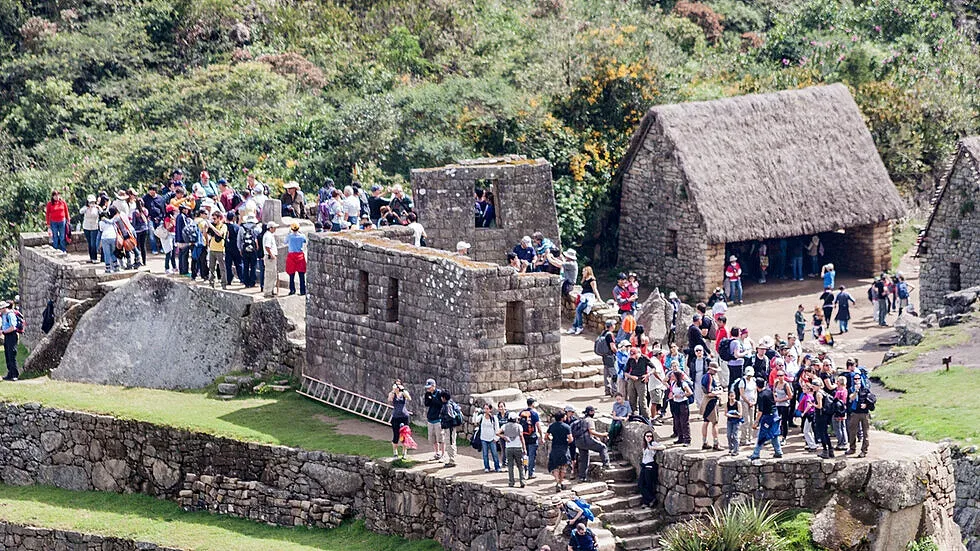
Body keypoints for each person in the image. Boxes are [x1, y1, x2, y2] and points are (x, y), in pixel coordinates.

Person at [748, 378, 783, 459]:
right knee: (774, 434)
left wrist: (756, 421)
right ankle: (778, 452)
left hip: (767, 417)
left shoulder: (761, 395)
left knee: (762, 435)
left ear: (757, 386)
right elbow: (773, 400)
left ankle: (756, 454)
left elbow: (760, 411)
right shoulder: (769, 391)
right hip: (775, 414)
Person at [573, 406, 609, 482]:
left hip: (579, 442)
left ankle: (582, 477)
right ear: (591, 412)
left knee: (584, 459)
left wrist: (596, 438)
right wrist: (603, 434)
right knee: (603, 447)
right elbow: (591, 431)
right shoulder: (590, 420)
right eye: (593, 411)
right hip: (587, 441)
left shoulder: (581, 420)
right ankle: (606, 464)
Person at [546, 411, 573, 492]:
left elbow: (546, 436)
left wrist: (551, 439)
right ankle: (561, 482)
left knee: (555, 466)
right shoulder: (566, 427)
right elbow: (571, 439)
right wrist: (566, 442)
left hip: (555, 448)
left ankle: (557, 482)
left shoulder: (552, 426)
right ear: (562, 418)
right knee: (563, 467)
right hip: (564, 448)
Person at [498, 412, 527, 487]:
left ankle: (511, 482)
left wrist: (504, 437)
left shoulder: (505, 426)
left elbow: (497, 433)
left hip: (509, 448)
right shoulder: (519, 426)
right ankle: (522, 481)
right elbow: (521, 437)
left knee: (510, 466)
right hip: (518, 447)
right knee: (520, 465)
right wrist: (524, 448)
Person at [637, 430, 665, 507]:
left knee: (648, 484)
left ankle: (649, 500)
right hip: (644, 465)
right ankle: (649, 499)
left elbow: (663, 447)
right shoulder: (644, 445)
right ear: (644, 437)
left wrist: (652, 448)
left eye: (650, 436)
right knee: (641, 484)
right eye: (647, 436)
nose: (649, 438)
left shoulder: (653, 443)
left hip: (649, 465)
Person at [846, 378, 873, 458]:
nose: (857, 380)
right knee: (852, 431)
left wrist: (866, 405)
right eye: (855, 379)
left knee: (865, 433)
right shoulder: (851, 389)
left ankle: (864, 451)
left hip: (865, 414)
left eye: (858, 379)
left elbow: (871, 399)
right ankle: (852, 448)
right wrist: (856, 391)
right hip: (855, 413)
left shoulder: (866, 390)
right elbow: (851, 398)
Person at [700, 362, 723, 451]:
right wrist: (718, 393)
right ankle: (716, 443)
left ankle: (704, 442)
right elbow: (709, 392)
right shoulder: (709, 377)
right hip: (711, 401)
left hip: (707, 401)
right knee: (714, 423)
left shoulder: (705, 376)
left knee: (706, 422)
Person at [570, 266, 599, 335]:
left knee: (578, 310)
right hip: (583, 296)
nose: (582, 273)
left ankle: (579, 326)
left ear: (588, 271)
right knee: (578, 310)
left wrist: (599, 298)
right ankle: (574, 327)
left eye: (584, 271)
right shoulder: (585, 279)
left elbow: (595, 289)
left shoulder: (592, 280)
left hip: (588, 298)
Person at [623, 346, 650, 419]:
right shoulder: (630, 360)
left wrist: (648, 375)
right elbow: (625, 372)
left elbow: (653, 368)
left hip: (641, 380)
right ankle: (634, 415)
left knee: (642, 400)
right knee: (632, 398)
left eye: (634, 355)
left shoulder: (644, 358)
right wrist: (631, 377)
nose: (633, 357)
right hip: (632, 380)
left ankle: (647, 418)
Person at [388, 381, 412, 459]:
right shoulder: (393, 394)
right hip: (395, 417)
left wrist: (403, 390)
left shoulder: (404, 393)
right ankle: (395, 453)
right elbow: (389, 399)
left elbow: (409, 398)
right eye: (396, 385)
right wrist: (393, 391)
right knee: (396, 435)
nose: (398, 387)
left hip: (404, 416)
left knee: (405, 434)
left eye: (399, 385)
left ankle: (404, 453)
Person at [668, 370, 693, 445]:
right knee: (677, 421)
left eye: (673, 376)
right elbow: (671, 391)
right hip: (676, 403)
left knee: (684, 422)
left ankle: (687, 439)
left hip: (683, 403)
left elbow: (690, 392)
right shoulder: (673, 383)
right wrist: (671, 396)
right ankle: (680, 437)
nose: (671, 377)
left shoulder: (683, 384)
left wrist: (682, 395)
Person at [474, 403, 502, 472]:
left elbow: (497, 428)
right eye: (484, 409)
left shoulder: (494, 418)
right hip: (483, 438)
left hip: (492, 438)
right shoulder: (481, 417)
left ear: (490, 409)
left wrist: (496, 438)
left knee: (494, 453)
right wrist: (475, 413)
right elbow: (475, 421)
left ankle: (497, 467)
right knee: (485, 454)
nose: (485, 410)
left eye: (487, 409)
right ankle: (487, 467)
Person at [204, 211, 228, 289]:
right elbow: (206, 235)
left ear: (219, 218)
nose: (213, 220)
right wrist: (205, 228)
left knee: (222, 268)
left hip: (220, 249)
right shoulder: (212, 226)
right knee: (211, 267)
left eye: (215, 218)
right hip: (212, 249)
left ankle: (223, 284)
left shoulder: (223, 226)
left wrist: (212, 227)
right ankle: (211, 283)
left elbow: (220, 234)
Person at [521, 398, 543, 479]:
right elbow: (538, 426)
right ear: (533, 404)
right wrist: (541, 437)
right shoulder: (534, 414)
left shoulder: (522, 412)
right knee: (532, 456)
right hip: (532, 437)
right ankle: (531, 473)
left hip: (523, 438)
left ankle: (524, 471)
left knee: (525, 455)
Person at [284, 223, 307, 296]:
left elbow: (285, 242)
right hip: (300, 255)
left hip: (291, 256)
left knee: (291, 274)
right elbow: (305, 241)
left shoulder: (289, 236)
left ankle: (292, 290)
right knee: (301, 275)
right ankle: (302, 291)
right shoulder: (302, 236)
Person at [238, 215, 260, 288]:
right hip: (253, 250)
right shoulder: (256, 228)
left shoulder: (242, 228)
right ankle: (252, 282)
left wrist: (240, 249)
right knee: (253, 266)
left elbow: (239, 240)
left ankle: (246, 282)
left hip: (244, 250)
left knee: (246, 266)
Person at [597, 320, 617, 396]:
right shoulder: (609, 335)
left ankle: (607, 390)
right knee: (614, 374)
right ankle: (615, 391)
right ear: (611, 326)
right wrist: (617, 353)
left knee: (606, 374)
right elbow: (612, 347)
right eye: (614, 324)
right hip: (610, 357)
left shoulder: (603, 333)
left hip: (604, 356)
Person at [438, 391, 459, 468]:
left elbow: (451, 416)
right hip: (449, 427)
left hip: (449, 427)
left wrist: (443, 417)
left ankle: (452, 461)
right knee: (451, 442)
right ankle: (452, 459)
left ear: (444, 398)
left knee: (450, 443)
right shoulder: (450, 404)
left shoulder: (447, 405)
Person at [0, 301, 20, 381]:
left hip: (12, 335)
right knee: (7, 355)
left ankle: (15, 374)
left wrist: (4, 331)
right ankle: (10, 373)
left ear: (4, 308)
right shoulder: (4, 315)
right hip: (7, 336)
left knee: (12, 355)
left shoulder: (10, 315)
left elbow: (13, 327)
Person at [79, 195, 102, 263]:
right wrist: (87, 208)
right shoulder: (85, 208)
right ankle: (91, 257)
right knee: (89, 243)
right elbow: (81, 211)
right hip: (87, 227)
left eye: (93, 202)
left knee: (93, 243)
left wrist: (98, 207)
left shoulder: (96, 208)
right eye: (90, 202)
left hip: (94, 227)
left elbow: (102, 212)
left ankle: (94, 257)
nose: (92, 204)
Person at [223, 211, 243, 287]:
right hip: (236, 248)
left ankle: (229, 280)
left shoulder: (224, 226)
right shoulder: (237, 227)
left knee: (228, 265)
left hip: (227, 248)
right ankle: (241, 278)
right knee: (239, 264)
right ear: (234, 218)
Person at [262, 221, 279, 298]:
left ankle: (271, 290)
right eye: (274, 227)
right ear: (270, 228)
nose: (275, 229)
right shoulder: (268, 236)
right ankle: (268, 292)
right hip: (269, 258)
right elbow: (267, 247)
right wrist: (271, 255)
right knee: (269, 274)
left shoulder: (269, 235)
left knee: (272, 275)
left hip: (270, 257)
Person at [724, 390, 743, 456]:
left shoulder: (738, 403)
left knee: (735, 435)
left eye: (733, 396)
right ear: (728, 396)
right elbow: (725, 413)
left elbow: (740, 415)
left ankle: (736, 450)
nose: (732, 398)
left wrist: (732, 415)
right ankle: (731, 447)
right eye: (730, 396)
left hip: (736, 422)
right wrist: (732, 415)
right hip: (729, 421)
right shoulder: (727, 404)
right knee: (729, 435)